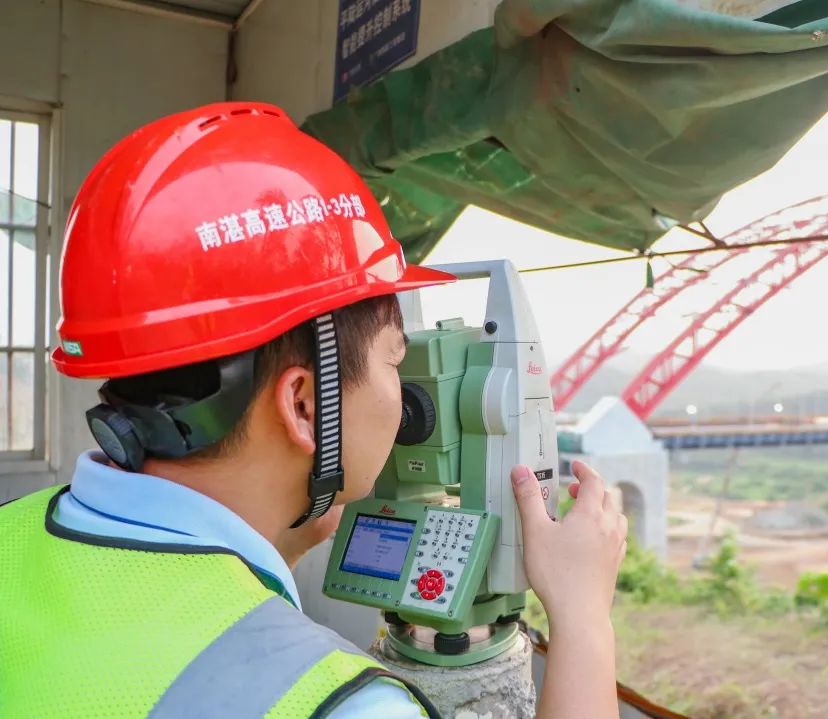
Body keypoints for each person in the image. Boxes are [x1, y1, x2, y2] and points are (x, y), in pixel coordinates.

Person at [0, 102, 627, 719]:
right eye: (393, 361)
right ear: (304, 405)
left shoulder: (13, 533)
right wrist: (583, 620)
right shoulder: (336, 704)